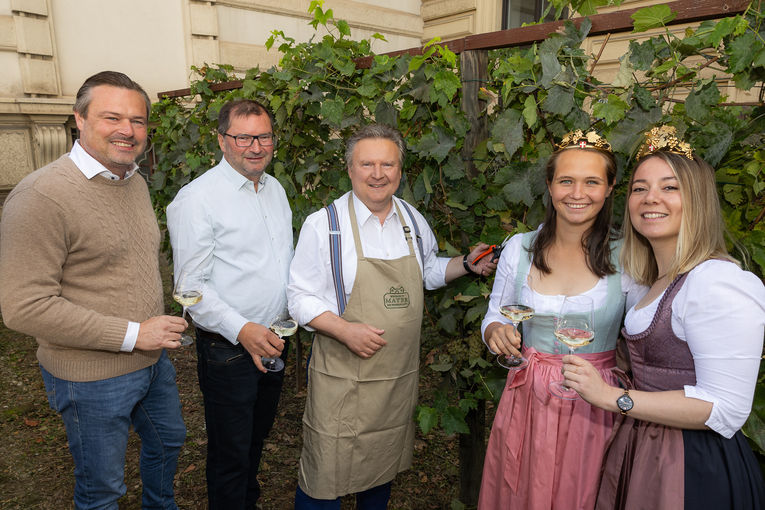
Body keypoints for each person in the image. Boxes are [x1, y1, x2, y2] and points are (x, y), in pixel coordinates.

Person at [0, 71, 187, 509]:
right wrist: (133, 334)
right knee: (103, 488)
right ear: (79, 120)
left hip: (152, 363)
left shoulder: (133, 181)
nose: (128, 130)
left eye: (138, 121)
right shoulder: (40, 197)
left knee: (169, 444)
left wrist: (146, 341)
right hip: (90, 377)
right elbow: (23, 307)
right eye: (112, 117)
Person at [287, 123, 496, 509]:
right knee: (324, 474)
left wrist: (465, 264)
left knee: (380, 467)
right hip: (341, 375)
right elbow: (298, 297)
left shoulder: (412, 221)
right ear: (349, 169)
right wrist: (345, 331)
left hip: (396, 377)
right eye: (367, 164)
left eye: (388, 164)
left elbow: (428, 271)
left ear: (400, 170)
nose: (378, 174)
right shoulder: (326, 226)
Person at [562, 125, 765, 509]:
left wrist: (613, 398)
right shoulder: (649, 281)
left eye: (670, 187)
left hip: (694, 467)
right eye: (640, 188)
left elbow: (725, 409)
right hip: (643, 449)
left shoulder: (717, 281)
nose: (650, 198)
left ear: (698, 200)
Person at [478, 130, 644, 510]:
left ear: (610, 187)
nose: (577, 193)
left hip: (595, 399)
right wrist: (497, 334)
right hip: (528, 396)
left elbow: (643, 334)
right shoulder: (518, 248)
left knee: (583, 492)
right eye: (566, 180)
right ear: (550, 186)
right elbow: (492, 319)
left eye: (592, 182)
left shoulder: (628, 257)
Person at [166, 98, 293, 509]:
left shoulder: (275, 189)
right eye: (244, 137)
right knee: (230, 457)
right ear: (222, 141)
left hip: (274, 340)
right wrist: (244, 330)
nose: (256, 146)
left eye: (264, 136)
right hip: (230, 350)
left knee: (255, 442)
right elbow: (190, 288)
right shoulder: (197, 199)